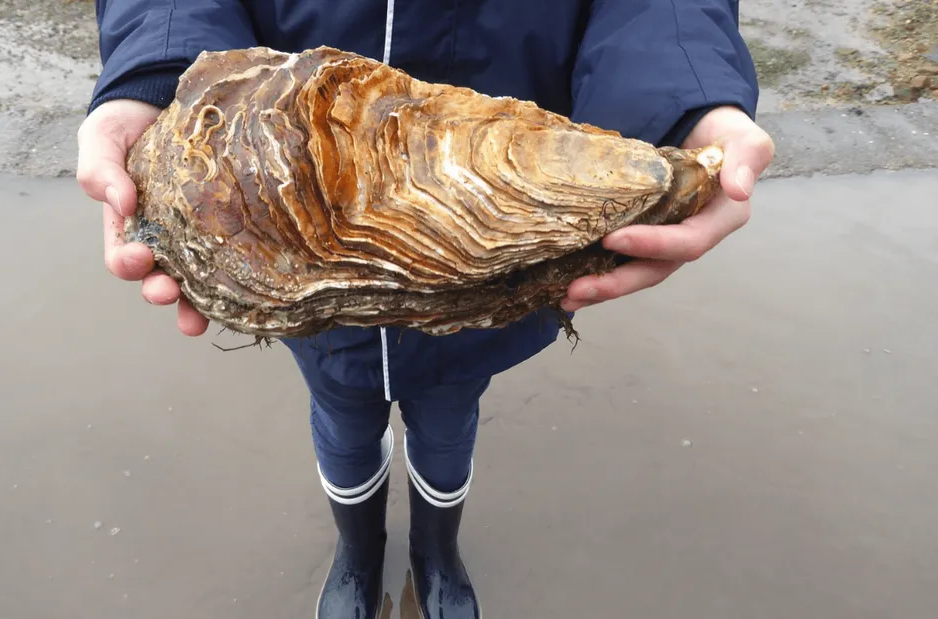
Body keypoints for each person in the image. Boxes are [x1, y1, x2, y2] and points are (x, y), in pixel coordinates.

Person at [76, 1, 775, 617]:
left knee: (446, 424)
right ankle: (361, 552)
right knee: (344, 421)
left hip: (491, 272)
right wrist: (157, 69)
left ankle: (438, 553)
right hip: (290, 240)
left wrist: (685, 96)